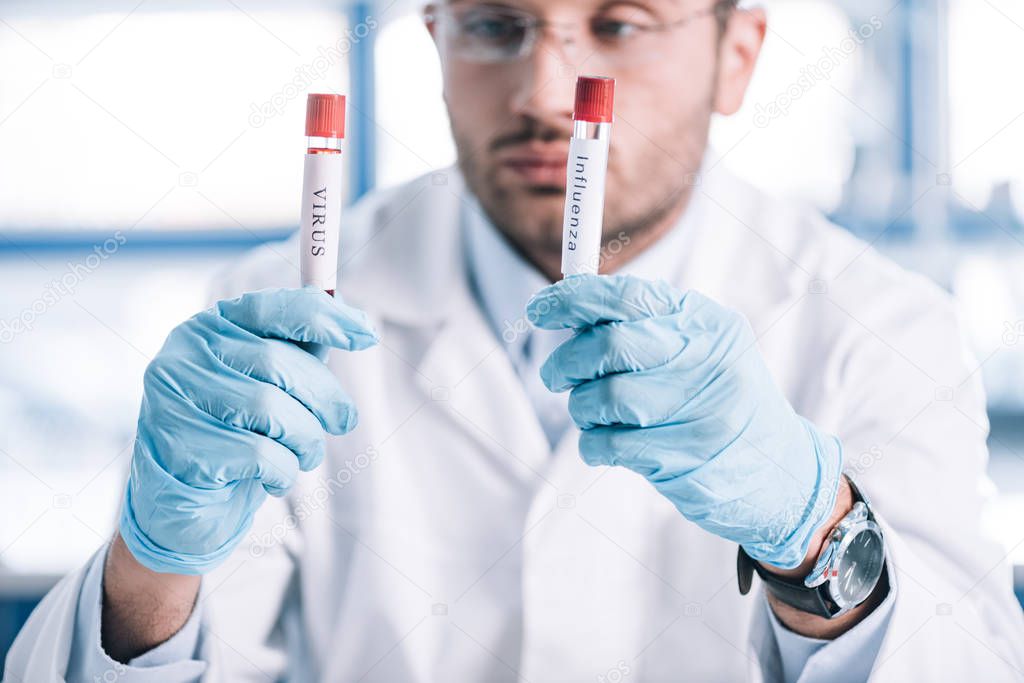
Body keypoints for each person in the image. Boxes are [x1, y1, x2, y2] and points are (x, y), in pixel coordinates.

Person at [7, 0, 1024, 681]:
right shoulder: (280, 309)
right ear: (435, 38)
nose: (544, 93)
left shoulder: (879, 324)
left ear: (739, 53)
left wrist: (815, 531)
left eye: (620, 22)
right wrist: (152, 562)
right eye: (494, 24)